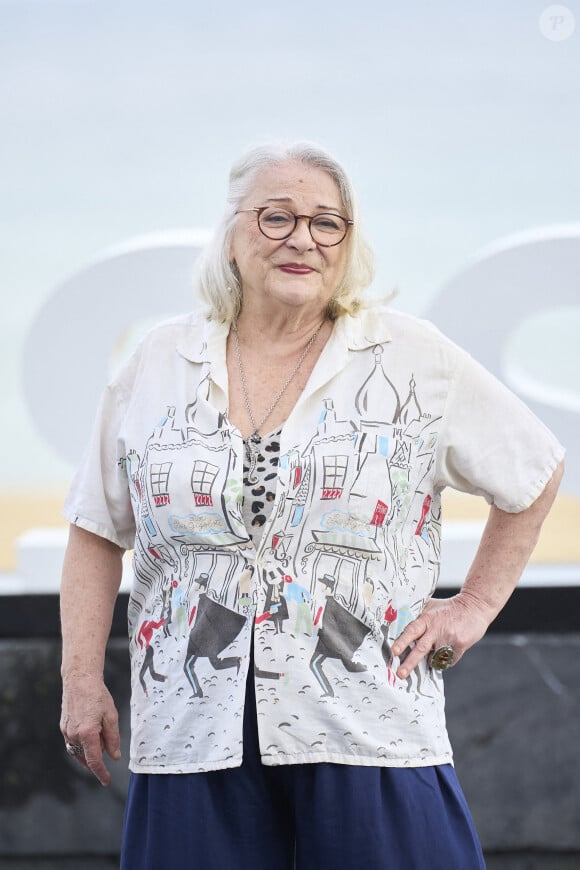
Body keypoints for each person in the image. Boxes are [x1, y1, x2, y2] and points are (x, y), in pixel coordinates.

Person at [60, 142, 565, 870]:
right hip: (191, 730)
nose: (303, 238)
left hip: (367, 722)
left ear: (348, 243)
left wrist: (475, 605)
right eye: (277, 217)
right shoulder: (159, 363)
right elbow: (95, 526)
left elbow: (535, 470)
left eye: (328, 223)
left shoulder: (412, 357)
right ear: (232, 233)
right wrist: (82, 682)